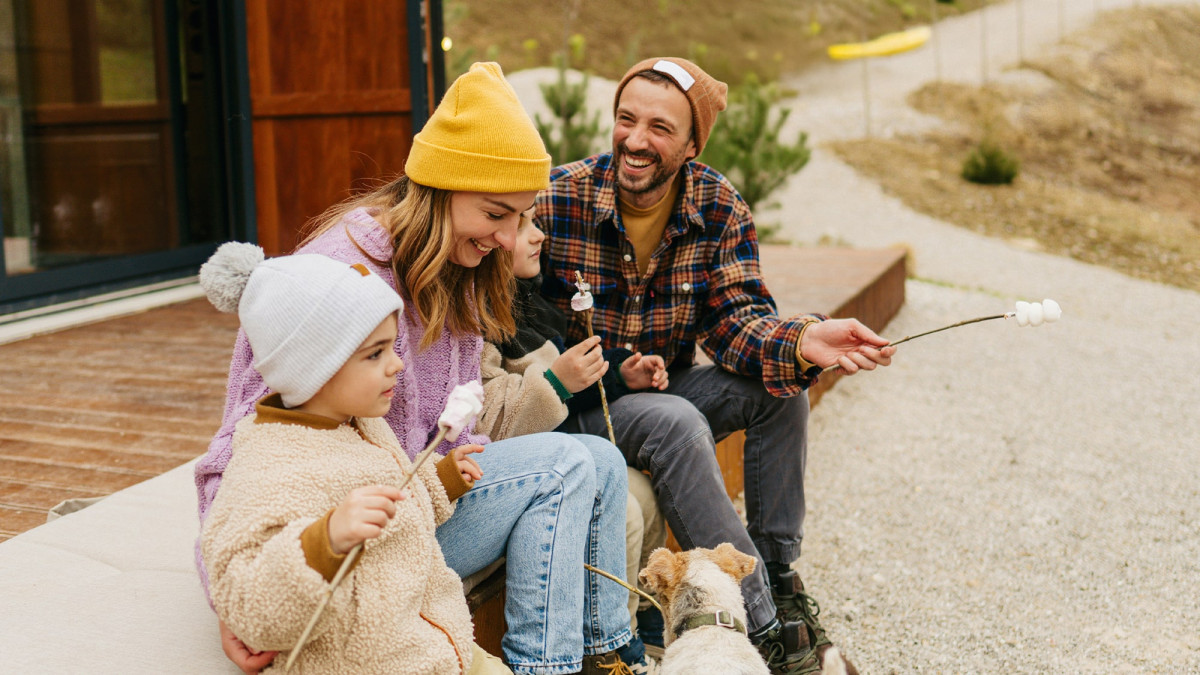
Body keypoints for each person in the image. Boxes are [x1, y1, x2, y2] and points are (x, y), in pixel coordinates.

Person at [195, 62, 635, 675]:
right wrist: (231, 600)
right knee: (564, 464)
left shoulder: (459, 271)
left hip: (423, 498)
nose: (510, 239)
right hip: (360, 536)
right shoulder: (334, 282)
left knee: (603, 460)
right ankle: (544, 667)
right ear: (440, 190)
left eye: (521, 216)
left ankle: (611, 653)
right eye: (496, 214)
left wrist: (477, 449)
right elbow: (238, 454)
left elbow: (465, 420)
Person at [535, 57, 895, 675]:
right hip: (572, 410)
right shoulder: (557, 199)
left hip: (661, 393)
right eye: (626, 120)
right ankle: (763, 626)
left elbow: (736, 324)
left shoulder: (719, 206)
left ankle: (777, 574)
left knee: (780, 389)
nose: (637, 140)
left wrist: (804, 340)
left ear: (693, 143)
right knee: (674, 418)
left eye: (660, 128)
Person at [197, 245, 506, 673]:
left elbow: (396, 505)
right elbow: (250, 602)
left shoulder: (363, 425)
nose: (398, 363)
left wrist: (440, 482)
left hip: (431, 645)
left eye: (391, 347)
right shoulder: (270, 468)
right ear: (314, 368)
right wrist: (323, 542)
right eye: (375, 353)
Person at [475, 213, 669, 674]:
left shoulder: (531, 304)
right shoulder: (484, 321)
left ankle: (638, 627)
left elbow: (566, 380)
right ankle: (606, 650)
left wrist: (620, 371)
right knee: (623, 513)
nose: (539, 235)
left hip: (558, 455)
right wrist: (557, 384)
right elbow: (508, 412)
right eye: (523, 227)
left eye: (534, 222)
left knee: (643, 490)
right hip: (524, 471)